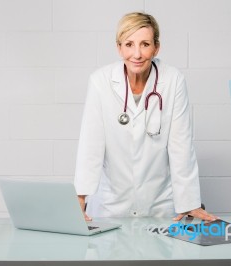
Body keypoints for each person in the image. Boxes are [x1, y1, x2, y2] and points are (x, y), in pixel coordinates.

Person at [75, 12, 218, 222]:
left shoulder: (172, 80)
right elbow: (91, 144)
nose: (137, 53)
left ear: (156, 47)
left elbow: (181, 145)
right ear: (119, 48)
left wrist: (188, 202)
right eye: (129, 44)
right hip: (111, 203)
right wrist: (80, 198)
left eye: (145, 44)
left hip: (159, 203)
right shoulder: (100, 81)